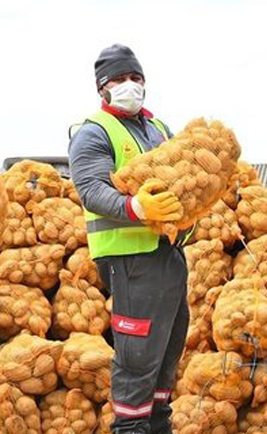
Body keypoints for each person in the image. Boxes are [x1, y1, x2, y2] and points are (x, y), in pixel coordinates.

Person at [68, 44, 188, 434]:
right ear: (102, 87)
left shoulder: (158, 129)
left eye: (135, 78)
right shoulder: (93, 132)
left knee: (166, 358)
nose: (129, 85)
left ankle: (157, 425)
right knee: (137, 363)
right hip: (129, 261)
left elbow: (182, 186)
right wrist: (137, 208)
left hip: (167, 257)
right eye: (119, 79)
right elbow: (91, 189)